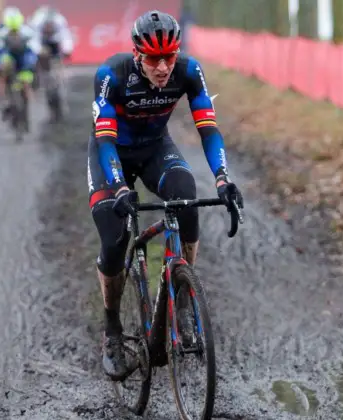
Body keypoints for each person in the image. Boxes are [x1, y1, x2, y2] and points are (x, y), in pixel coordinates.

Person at [87, 10, 244, 380]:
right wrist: (121, 187)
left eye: (169, 58)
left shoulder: (189, 72)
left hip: (156, 148)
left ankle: (184, 288)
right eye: (154, 59)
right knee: (115, 236)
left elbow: (209, 129)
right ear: (137, 54)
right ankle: (112, 331)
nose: (162, 68)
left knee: (187, 197)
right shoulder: (112, 75)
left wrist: (222, 179)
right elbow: (105, 139)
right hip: (111, 154)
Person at [0, 9, 41, 118]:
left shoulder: (27, 32)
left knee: (27, 77)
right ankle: (2, 100)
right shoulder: (1, 34)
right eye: (11, 32)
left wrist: (31, 63)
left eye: (16, 31)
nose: (14, 34)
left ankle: (31, 97)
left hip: (23, 58)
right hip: (9, 57)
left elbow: (33, 50)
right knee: (2, 74)